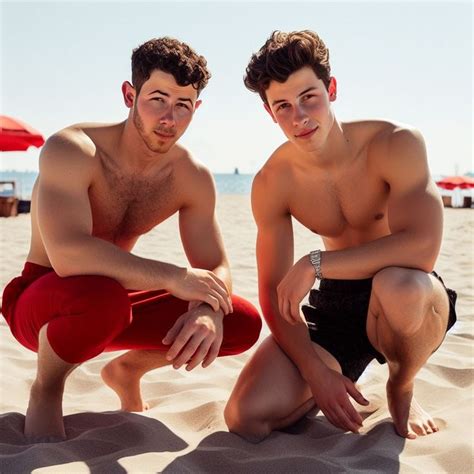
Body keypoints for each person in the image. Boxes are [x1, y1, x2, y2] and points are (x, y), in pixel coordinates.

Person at [1, 37, 261, 442]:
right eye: (157, 99)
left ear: (197, 108)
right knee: (100, 298)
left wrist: (208, 309)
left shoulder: (190, 176)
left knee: (240, 320)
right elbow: (68, 256)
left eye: (183, 105)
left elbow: (216, 266)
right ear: (129, 94)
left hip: (113, 306)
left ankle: (128, 369)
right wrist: (175, 277)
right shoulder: (73, 150)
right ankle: (47, 388)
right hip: (43, 304)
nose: (169, 118)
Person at [224, 30, 457, 441]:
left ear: (331, 89)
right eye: (283, 106)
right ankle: (338, 377)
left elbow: (421, 248)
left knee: (397, 284)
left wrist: (316, 262)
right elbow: (275, 295)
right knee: (245, 417)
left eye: (308, 97)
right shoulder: (272, 182)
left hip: (409, 296)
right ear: (269, 113)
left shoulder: (395, 143)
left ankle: (401, 384)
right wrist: (315, 373)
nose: (299, 117)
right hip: (336, 306)